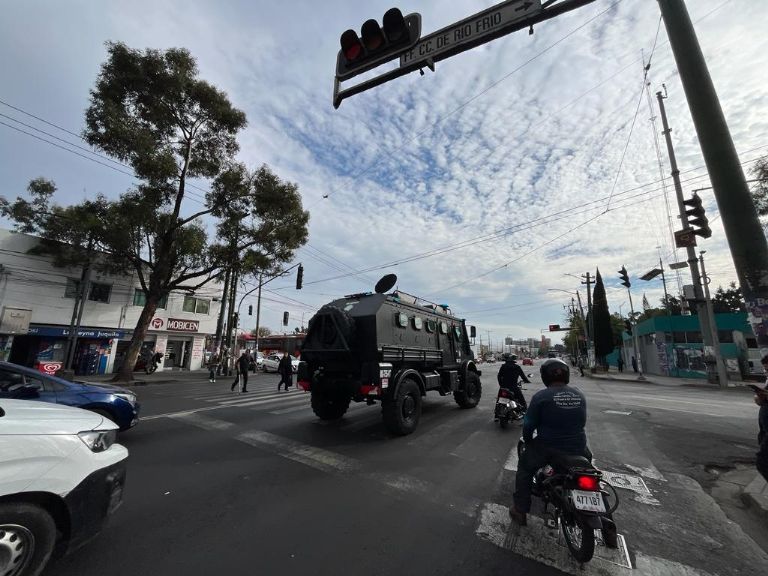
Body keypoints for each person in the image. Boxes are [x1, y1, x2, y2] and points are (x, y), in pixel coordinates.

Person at [509, 358, 590, 526]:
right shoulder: (579, 394)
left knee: (524, 467)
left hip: (549, 446)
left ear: (545, 376)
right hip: (579, 446)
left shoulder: (541, 396)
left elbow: (529, 425)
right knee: (589, 472)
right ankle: (608, 523)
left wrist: (529, 441)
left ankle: (520, 509)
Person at [754, 355, 768, 482]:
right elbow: (760, 401)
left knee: (762, 462)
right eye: (765, 370)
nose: (766, 372)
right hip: (765, 428)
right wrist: (759, 397)